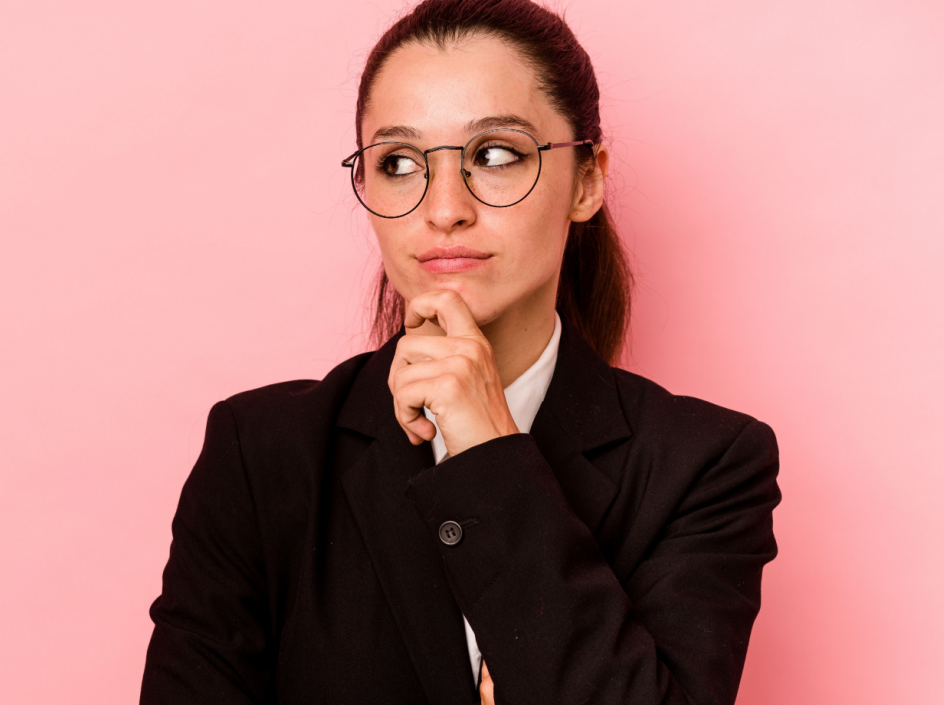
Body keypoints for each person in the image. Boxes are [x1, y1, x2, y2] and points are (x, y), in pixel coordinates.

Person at [138, 0, 781, 703]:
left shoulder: (705, 466)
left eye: (496, 155)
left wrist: (487, 453)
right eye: (400, 162)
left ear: (588, 180)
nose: (444, 208)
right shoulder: (261, 455)